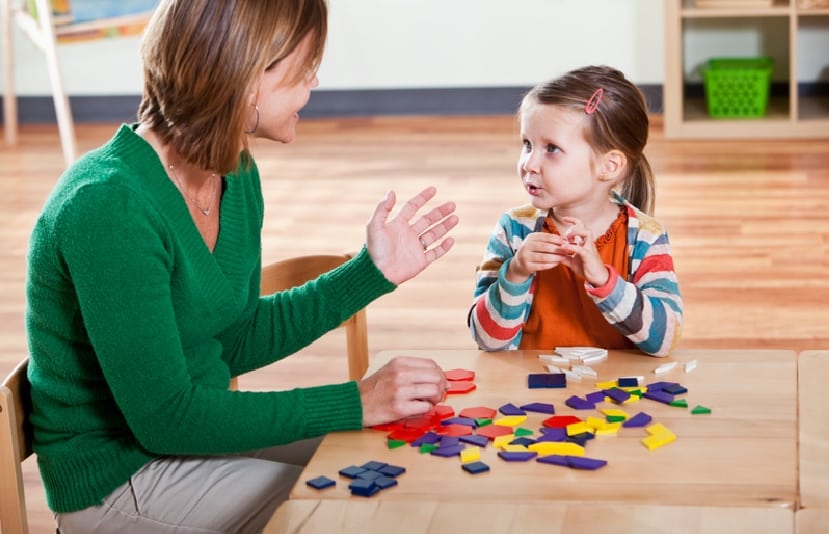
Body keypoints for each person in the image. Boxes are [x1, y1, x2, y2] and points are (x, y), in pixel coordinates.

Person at [25, 1, 458, 532]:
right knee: (350, 510)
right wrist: (354, 400)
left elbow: (231, 338)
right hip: (121, 478)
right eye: (304, 70)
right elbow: (167, 419)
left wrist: (371, 273)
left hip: (193, 438)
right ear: (247, 77)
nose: (316, 82)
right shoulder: (107, 206)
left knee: (405, 458)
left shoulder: (235, 172)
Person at [468, 65, 682, 357]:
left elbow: (664, 340)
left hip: (616, 394)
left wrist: (605, 282)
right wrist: (515, 273)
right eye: (527, 144)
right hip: (530, 393)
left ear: (609, 166)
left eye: (551, 149)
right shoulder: (512, 230)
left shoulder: (646, 237)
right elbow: (486, 341)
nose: (529, 163)